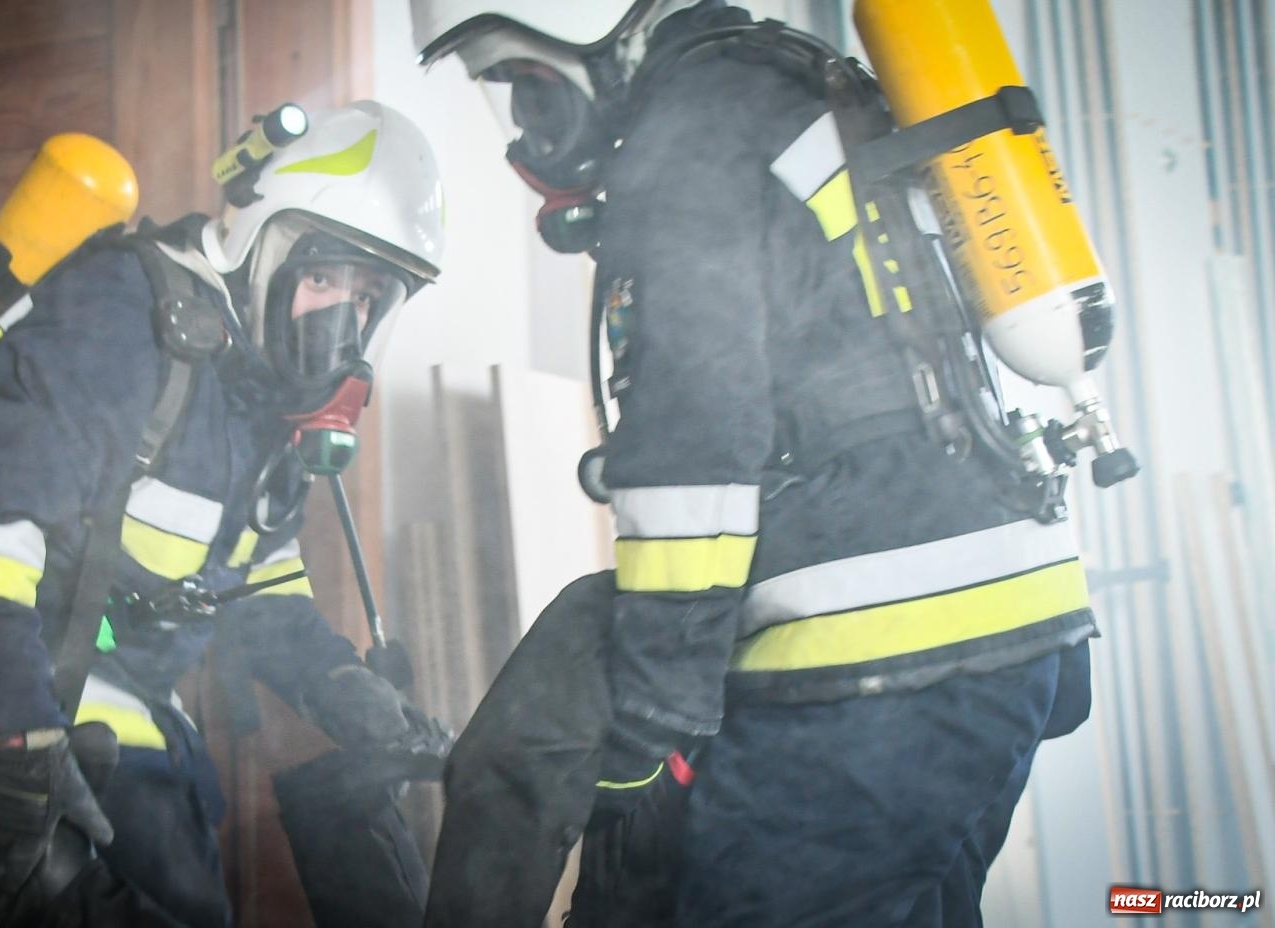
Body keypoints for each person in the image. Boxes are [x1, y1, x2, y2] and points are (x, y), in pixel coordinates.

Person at [408, 3, 1098, 925]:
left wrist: (655, 724)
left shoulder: (687, 131)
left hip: (880, 660)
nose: (529, 139)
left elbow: (692, 454)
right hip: (1008, 640)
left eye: (534, 91)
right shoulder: (794, 82)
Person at [0, 100, 447, 927]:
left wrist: (336, 683)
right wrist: (19, 741)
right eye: (324, 278)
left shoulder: (262, 388)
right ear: (262, 245)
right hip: (46, 712)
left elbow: (255, 582)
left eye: (367, 298)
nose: (341, 319)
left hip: (148, 720)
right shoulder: (125, 320)